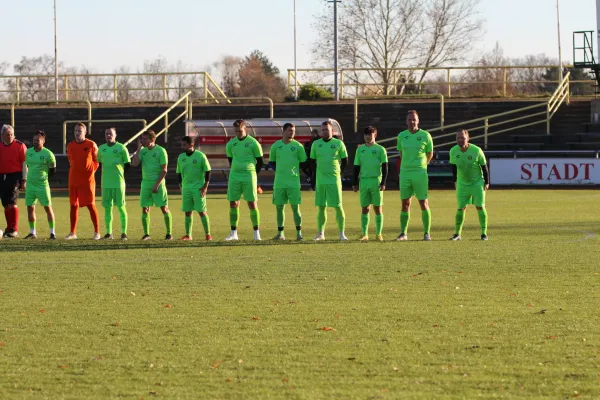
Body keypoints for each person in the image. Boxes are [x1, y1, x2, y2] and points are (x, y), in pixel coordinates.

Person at [396, 110, 433, 241]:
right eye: (409, 120)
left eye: (414, 119)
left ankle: (427, 233)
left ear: (418, 121)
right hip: (405, 173)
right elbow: (401, 154)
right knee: (405, 203)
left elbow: (430, 154)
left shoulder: (425, 135)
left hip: (420, 173)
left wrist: (422, 165)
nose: (412, 122)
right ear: (406, 121)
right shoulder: (401, 136)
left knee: (423, 202)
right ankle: (403, 233)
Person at [224, 119, 264, 241]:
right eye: (236, 131)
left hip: (249, 176)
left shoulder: (253, 143)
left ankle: (256, 233)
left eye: (240, 131)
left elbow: (260, 162)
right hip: (235, 176)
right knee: (233, 203)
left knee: (252, 203)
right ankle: (233, 233)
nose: (238, 133)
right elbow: (231, 160)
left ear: (245, 129)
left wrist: (253, 175)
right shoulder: (231, 144)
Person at [131, 130, 173, 240]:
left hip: (158, 184)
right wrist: (139, 149)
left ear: (152, 139)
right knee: (145, 209)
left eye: (145, 139)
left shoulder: (161, 151)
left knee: (164, 208)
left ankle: (169, 233)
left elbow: (164, 170)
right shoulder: (143, 151)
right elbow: (134, 163)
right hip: (145, 184)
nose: (143, 141)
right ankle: (146, 234)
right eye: (142, 139)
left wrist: (156, 185)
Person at [310, 121, 348, 241]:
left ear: (332, 131)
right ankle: (321, 234)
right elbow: (312, 161)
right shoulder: (316, 144)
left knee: (338, 206)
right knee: (321, 207)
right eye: (323, 130)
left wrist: (339, 173)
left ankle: (342, 234)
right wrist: (313, 176)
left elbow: (345, 160)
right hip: (321, 181)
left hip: (334, 180)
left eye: (327, 129)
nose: (325, 131)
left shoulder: (338, 143)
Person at [269, 122, 307, 241]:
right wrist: (279, 170)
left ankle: (299, 233)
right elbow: (272, 162)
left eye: (294, 131)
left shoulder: (298, 146)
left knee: (295, 207)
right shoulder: (276, 146)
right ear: (284, 131)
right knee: (279, 207)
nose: (292, 133)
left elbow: (304, 163)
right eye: (290, 130)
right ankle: (280, 233)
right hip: (279, 182)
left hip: (293, 182)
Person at [449, 129, 489, 241]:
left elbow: (484, 167)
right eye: (458, 138)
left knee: (480, 206)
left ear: (468, 138)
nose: (460, 140)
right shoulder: (453, 151)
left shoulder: (476, 150)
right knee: (461, 208)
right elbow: (453, 168)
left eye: (463, 138)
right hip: (462, 183)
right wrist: (455, 181)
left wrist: (487, 182)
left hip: (477, 183)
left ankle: (484, 233)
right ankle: (457, 234)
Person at [352, 126, 388, 242]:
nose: (368, 136)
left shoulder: (380, 149)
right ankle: (364, 234)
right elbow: (356, 167)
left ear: (375, 135)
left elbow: (385, 167)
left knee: (377, 208)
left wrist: (383, 182)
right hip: (364, 181)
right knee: (364, 208)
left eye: (370, 134)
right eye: (366, 134)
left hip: (376, 181)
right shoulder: (360, 149)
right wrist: (354, 182)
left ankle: (378, 234)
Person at [66, 122, 100, 240]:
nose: (77, 133)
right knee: (73, 205)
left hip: (87, 180)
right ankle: (73, 233)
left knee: (90, 204)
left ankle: (97, 232)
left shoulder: (91, 144)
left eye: (80, 131)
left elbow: (97, 161)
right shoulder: (70, 145)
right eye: (75, 131)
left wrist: (90, 171)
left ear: (85, 132)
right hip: (74, 179)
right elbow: (71, 160)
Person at [176, 136, 212, 241]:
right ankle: (188, 235)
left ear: (191, 144)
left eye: (184, 144)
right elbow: (178, 173)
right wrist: (180, 187)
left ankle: (208, 234)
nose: (182, 146)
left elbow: (208, 171)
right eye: (181, 144)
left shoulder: (200, 156)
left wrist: (205, 186)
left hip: (198, 188)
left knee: (201, 211)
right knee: (187, 211)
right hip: (186, 188)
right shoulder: (181, 157)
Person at [97, 127, 130, 240]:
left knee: (121, 207)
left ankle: (124, 233)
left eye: (111, 134)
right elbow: (100, 163)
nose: (108, 136)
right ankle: (108, 233)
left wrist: (119, 174)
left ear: (115, 135)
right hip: (106, 184)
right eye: (106, 134)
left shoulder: (121, 148)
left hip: (118, 183)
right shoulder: (101, 149)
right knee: (107, 208)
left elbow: (127, 164)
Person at [23, 131, 56, 240]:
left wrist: (44, 179)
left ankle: (52, 233)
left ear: (43, 141)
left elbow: (52, 169)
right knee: (30, 208)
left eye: (38, 140)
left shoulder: (48, 154)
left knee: (47, 207)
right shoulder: (28, 152)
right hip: (30, 185)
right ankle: (32, 232)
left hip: (42, 185)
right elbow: (26, 166)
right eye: (34, 140)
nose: (35, 142)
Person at [0, 124, 27, 238]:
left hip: (15, 176)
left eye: (11, 134)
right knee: (6, 204)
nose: (10, 137)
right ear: (2, 136)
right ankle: (9, 228)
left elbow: (25, 164)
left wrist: (24, 179)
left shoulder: (20, 146)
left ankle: (14, 229)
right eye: (7, 135)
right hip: (2, 176)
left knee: (12, 202)